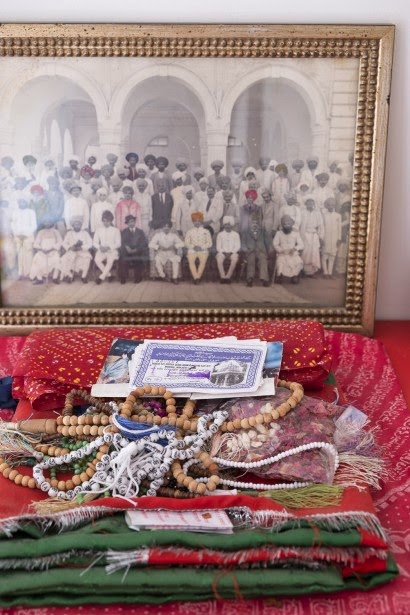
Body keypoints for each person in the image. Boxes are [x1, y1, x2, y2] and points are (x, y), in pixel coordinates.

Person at [29, 218, 62, 285]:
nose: (47, 223)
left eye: (49, 222)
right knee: (36, 259)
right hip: (43, 251)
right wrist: (41, 249)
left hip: (53, 251)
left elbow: (60, 242)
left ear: (52, 223)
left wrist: (52, 249)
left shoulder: (56, 232)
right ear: (44, 223)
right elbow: (36, 243)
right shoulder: (40, 232)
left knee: (57, 259)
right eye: (45, 222)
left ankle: (55, 278)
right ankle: (39, 279)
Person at [273, 214, 304, 284]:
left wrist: (295, 249)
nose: (287, 226)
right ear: (282, 225)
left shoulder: (296, 233)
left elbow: (301, 244)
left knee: (298, 262)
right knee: (280, 262)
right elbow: (275, 244)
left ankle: (294, 276)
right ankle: (280, 275)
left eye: (288, 224)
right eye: (285, 224)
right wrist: (281, 250)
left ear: (291, 224)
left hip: (292, 253)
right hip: (282, 253)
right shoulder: (278, 233)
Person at [60, 216, 92, 283]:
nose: (77, 226)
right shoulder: (69, 233)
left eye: (79, 224)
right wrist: (70, 247)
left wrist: (81, 247)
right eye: (75, 224)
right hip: (72, 251)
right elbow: (64, 243)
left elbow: (90, 243)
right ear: (73, 225)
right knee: (63, 259)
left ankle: (83, 276)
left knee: (87, 258)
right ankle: (70, 275)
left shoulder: (85, 233)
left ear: (81, 225)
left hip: (83, 251)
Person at [119, 214, 149, 284]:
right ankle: (123, 277)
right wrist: (127, 247)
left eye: (132, 221)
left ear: (135, 222)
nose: (131, 223)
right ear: (127, 223)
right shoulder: (124, 232)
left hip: (137, 251)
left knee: (138, 258)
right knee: (123, 258)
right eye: (129, 222)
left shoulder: (140, 232)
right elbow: (122, 242)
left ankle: (138, 277)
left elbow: (143, 243)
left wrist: (136, 250)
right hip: (127, 251)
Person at [11, 198, 37, 279]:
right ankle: (20, 273)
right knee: (20, 255)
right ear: (18, 203)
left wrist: (26, 234)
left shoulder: (31, 212)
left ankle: (29, 273)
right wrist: (17, 234)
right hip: (18, 236)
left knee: (29, 254)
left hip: (28, 236)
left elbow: (34, 225)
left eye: (24, 202)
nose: (22, 203)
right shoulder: (15, 212)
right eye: (20, 202)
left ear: (27, 203)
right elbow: (13, 225)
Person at [93, 210, 121, 284]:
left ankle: (101, 277)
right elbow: (94, 242)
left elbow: (118, 243)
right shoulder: (98, 230)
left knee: (110, 260)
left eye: (108, 221)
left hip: (112, 250)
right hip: (102, 250)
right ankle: (109, 275)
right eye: (104, 221)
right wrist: (100, 247)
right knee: (97, 260)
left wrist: (109, 247)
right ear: (102, 220)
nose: (106, 223)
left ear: (111, 221)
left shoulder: (116, 230)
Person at [240, 220, 271, 287]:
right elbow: (243, 244)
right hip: (250, 251)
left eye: (256, 223)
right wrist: (246, 250)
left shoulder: (262, 232)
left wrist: (268, 251)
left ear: (259, 225)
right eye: (253, 223)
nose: (255, 225)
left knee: (263, 260)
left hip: (260, 250)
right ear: (249, 224)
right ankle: (250, 278)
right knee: (251, 260)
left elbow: (267, 243)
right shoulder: (246, 232)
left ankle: (264, 279)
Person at [184, 211, 213, 284]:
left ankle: (197, 277)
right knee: (191, 261)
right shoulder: (189, 231)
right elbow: (186, 243)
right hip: (192, 250)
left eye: (199, 221)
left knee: (203, 262)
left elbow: (209, 243)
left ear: (201, 221)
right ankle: (196, 277)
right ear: (193, 222)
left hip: (203, 250)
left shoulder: (206, 231)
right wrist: (193, 247)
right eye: (195, 221)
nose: (197, 222)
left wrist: (202, 247)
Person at [299, 198, 324, 277]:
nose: (310, 204)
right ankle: (303, 270)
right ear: (306, 204)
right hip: (305, 235)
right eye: (308, 203)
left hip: (314, 235)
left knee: (314, 253)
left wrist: (321, 236)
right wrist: (300, 236)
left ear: (314, 204)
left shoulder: (317, 213)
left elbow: (321, 225)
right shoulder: (302, 212)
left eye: (311, 203)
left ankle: (312, 272)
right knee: (305, 253)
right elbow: (300, 225)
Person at [215, 216, 241, 283]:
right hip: (222, 253)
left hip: (233, 253)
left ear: (231, 225)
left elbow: (238, 246)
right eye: (226, 224)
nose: (227, 226)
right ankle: (223, 277)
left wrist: (232, 252)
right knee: (219, 259)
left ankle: (228, 277)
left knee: (234, 260)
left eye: (229, 224)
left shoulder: (236, 234)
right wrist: (223, 252)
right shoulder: (220, 234)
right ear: (224, 225)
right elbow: (218, 247)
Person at [321, 197, 342, 278]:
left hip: (334, 238)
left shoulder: (338, 216)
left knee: (332, 256)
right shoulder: (324, 215)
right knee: (324, 255)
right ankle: (325, 272)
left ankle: (330, 273)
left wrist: (339, 238)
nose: (330, 206)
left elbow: (339, 228)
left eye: (332, 205)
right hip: (326, 237)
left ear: (334, 205)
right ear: (326, 205)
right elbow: (322, 228)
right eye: (329, 205)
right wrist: (321, 238)